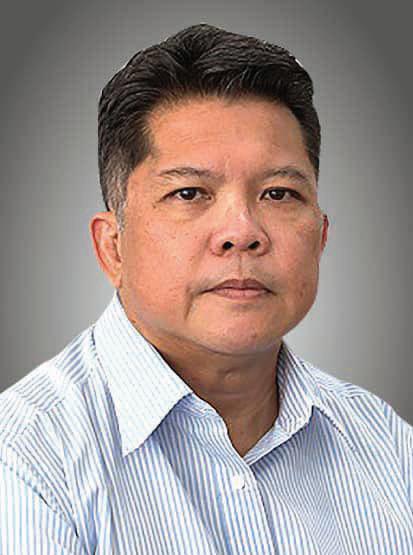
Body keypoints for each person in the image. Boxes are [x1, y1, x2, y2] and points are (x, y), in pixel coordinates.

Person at [0, 23, 412, 555]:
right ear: (113, 247)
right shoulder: (26, 458)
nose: (242, 231)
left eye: (278, 193)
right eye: (189, 192)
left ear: (321, 235)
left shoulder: (386, 444)